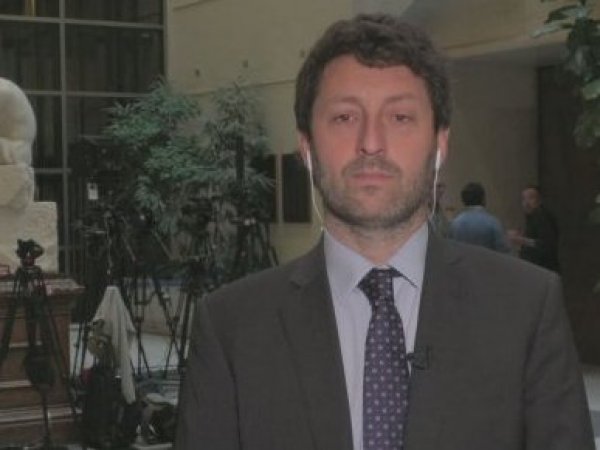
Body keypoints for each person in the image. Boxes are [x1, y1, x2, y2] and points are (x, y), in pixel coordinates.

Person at [175, 14, 593, 450]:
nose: (371, 142)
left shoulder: (525, 309)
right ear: (307, 146)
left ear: (440, 145)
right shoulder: (232, 328)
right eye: (344, 117)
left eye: (400, 117)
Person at [509, 185, 560, 272]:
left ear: (539, 200)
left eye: (531, 198)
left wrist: (521, 240)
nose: (526, 203)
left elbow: (546, 244)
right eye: (524, 199)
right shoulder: (531, 217)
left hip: (543, 269)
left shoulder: (542, 217)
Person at [449, 182, 509, 252]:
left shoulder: (455, 224)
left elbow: (450, 249)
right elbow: (503, 250)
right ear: (483, 199)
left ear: (463, 201)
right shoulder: (492, 223)